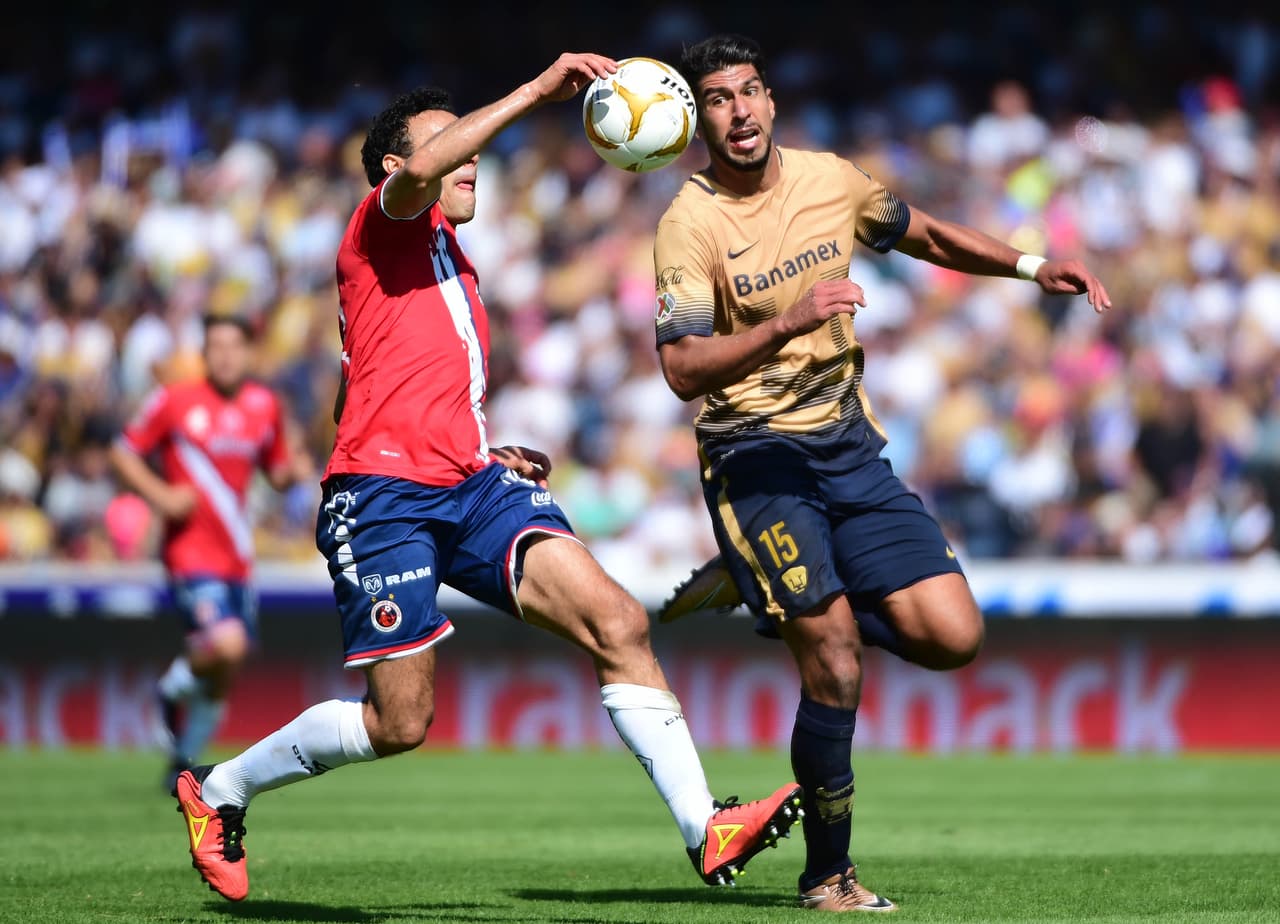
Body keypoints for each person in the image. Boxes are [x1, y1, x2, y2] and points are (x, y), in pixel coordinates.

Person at [171, 53, 802, 904]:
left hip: (467, 485)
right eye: (450, 145)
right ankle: (220, 790)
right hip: (384, 500)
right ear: (395, 168)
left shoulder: (450, 262)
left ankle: (706, 828)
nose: (472, 159)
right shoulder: (381, 223)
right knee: (400, 722)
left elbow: (369, 386)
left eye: (470, 146)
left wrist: (472, 445)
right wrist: (538, 92)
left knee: (617, 620)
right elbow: (418, 184)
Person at [653, 35, 1112, 913]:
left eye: (749, 91)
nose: (739, 110)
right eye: (717, 98)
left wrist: (1028, 267)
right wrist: (787, 322)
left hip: (849, 449)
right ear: (695, 121)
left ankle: (767, 589)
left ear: (772, 102)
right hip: (755, 457)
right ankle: (828, 875)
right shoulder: (690, 222)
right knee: (833, 658)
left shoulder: (831, 180)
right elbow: (680, 368)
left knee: (953, 637)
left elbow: (925, 233)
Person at [111, 314, 311, 790]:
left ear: (248, 353)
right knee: (228, 644)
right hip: (190, 552)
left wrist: (293, 472)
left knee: (227, 667)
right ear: (203, 354)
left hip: (237, 555)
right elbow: (123, 451)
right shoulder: (174, 401)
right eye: (215, 346)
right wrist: (161, 496)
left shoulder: (263, 405)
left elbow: (277, 472)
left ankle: (181, 761)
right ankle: (170, 690)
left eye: (233, 346)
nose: (225, 355)